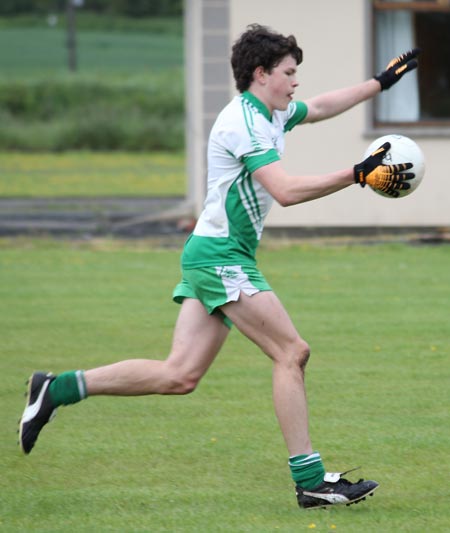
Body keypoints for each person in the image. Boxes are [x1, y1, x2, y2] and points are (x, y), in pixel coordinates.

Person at [19, 24, 419, 510]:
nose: (296, 83)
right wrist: (357, 173)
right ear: (260, 73)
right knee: (292, 352)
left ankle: (56, 388)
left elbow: (321, 107)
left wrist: (380, 83)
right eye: (289, 73)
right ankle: (311, 480)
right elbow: (286, 192)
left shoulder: (269, 113)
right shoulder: (242, 123)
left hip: (213, 253)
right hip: (220, 256)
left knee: (179, 375)